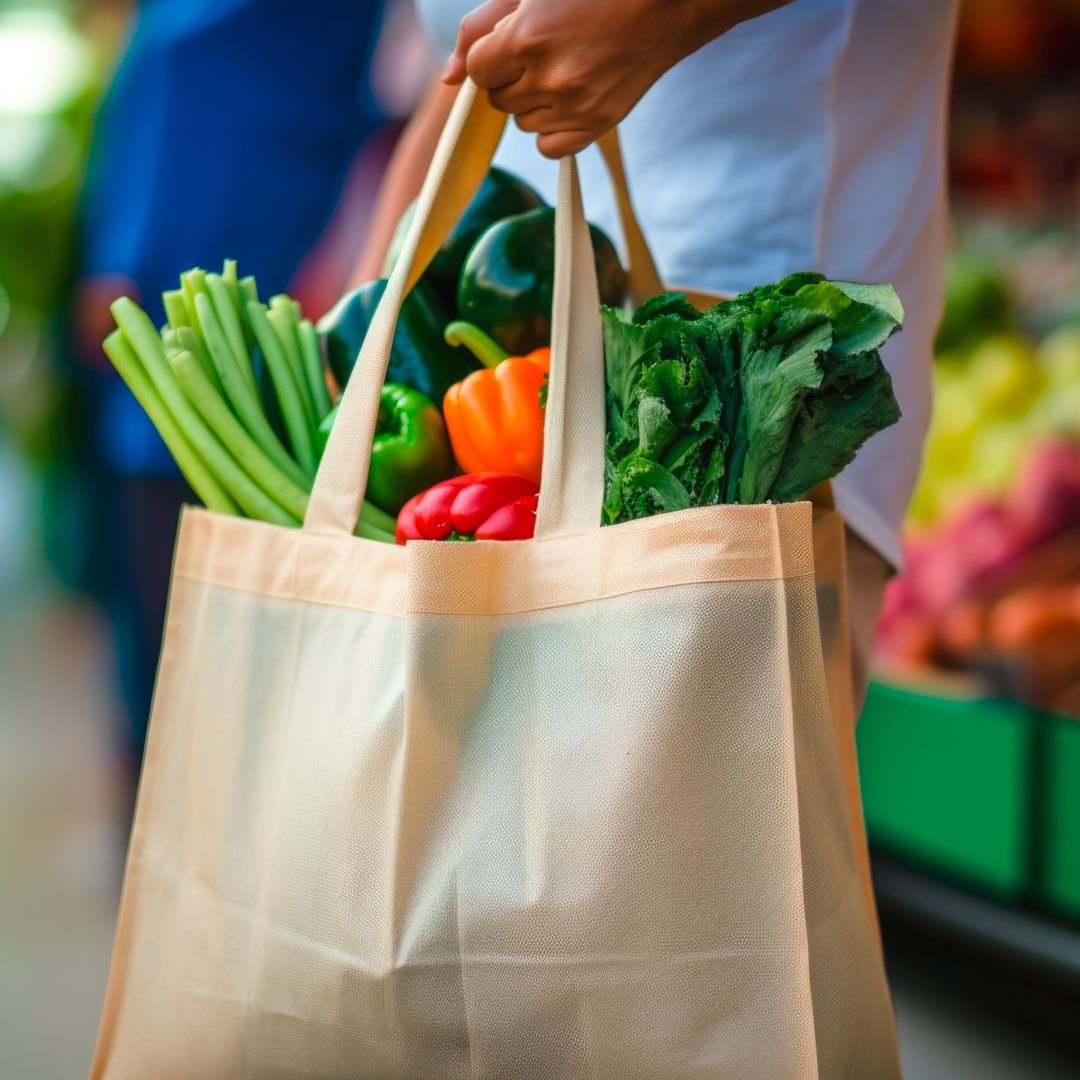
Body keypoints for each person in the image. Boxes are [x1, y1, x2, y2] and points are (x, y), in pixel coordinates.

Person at [352, 0, 961, 711]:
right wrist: (366, 322)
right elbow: (455, 74)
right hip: (467, 407)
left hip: (741, 402)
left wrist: (662, 16)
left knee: (685, 808)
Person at [72, 0, 389, 773]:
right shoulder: (169, 27)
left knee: (251, 658)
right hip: (160, 343)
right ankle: (163, 837)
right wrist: (116, 254)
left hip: (280, 322)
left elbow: (392, 101)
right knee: (165, 646)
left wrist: (356, 251)